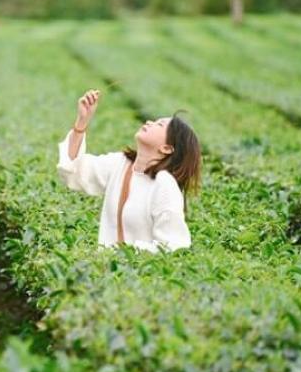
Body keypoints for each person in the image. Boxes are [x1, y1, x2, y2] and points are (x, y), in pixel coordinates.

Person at [56, 89, 202, 253]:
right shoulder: (120, 164)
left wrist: (125, 252)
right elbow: (73, 171)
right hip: (106, 271)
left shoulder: (164, 184)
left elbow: (173, 246)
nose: (148, 122)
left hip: (139, 276)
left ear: (167, 148)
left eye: (159, 125)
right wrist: (81, 123)